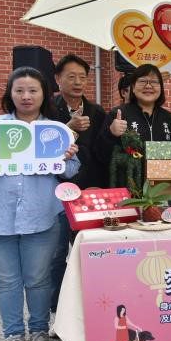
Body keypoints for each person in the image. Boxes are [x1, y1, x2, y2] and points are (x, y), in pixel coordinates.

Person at [0, 67, 80, 341]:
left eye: (33, 90)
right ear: (10, 93)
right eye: (19, 90)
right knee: (7, 281)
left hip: (42, 215)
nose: (26, 96)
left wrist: (69, 158)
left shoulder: (56, 129)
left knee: (38, 279)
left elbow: (72, 173)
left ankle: (38, 333)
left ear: (44, 94)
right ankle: (13, 338)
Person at [50, 54, 106, 316]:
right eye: (70, 76)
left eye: (82, 77)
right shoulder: (48, 110)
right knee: (56, 256)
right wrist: (67, 128)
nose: (77, 82)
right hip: (55, 194)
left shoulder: (97, 112)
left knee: (88, 253)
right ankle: (57, 311)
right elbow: (43, 147)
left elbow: (104, 151)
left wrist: (101, 189)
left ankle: (88, 311)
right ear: (57, 79)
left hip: (89, 193)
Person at [98, 64, 171, 164]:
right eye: (143, 81)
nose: (148, 86)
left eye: (154, 82)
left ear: (161, 88)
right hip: (127, 178)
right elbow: (101, 156)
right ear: (133, 88)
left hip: (163, 179)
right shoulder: (118, 115)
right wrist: (111, 134)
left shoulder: (170, 119)